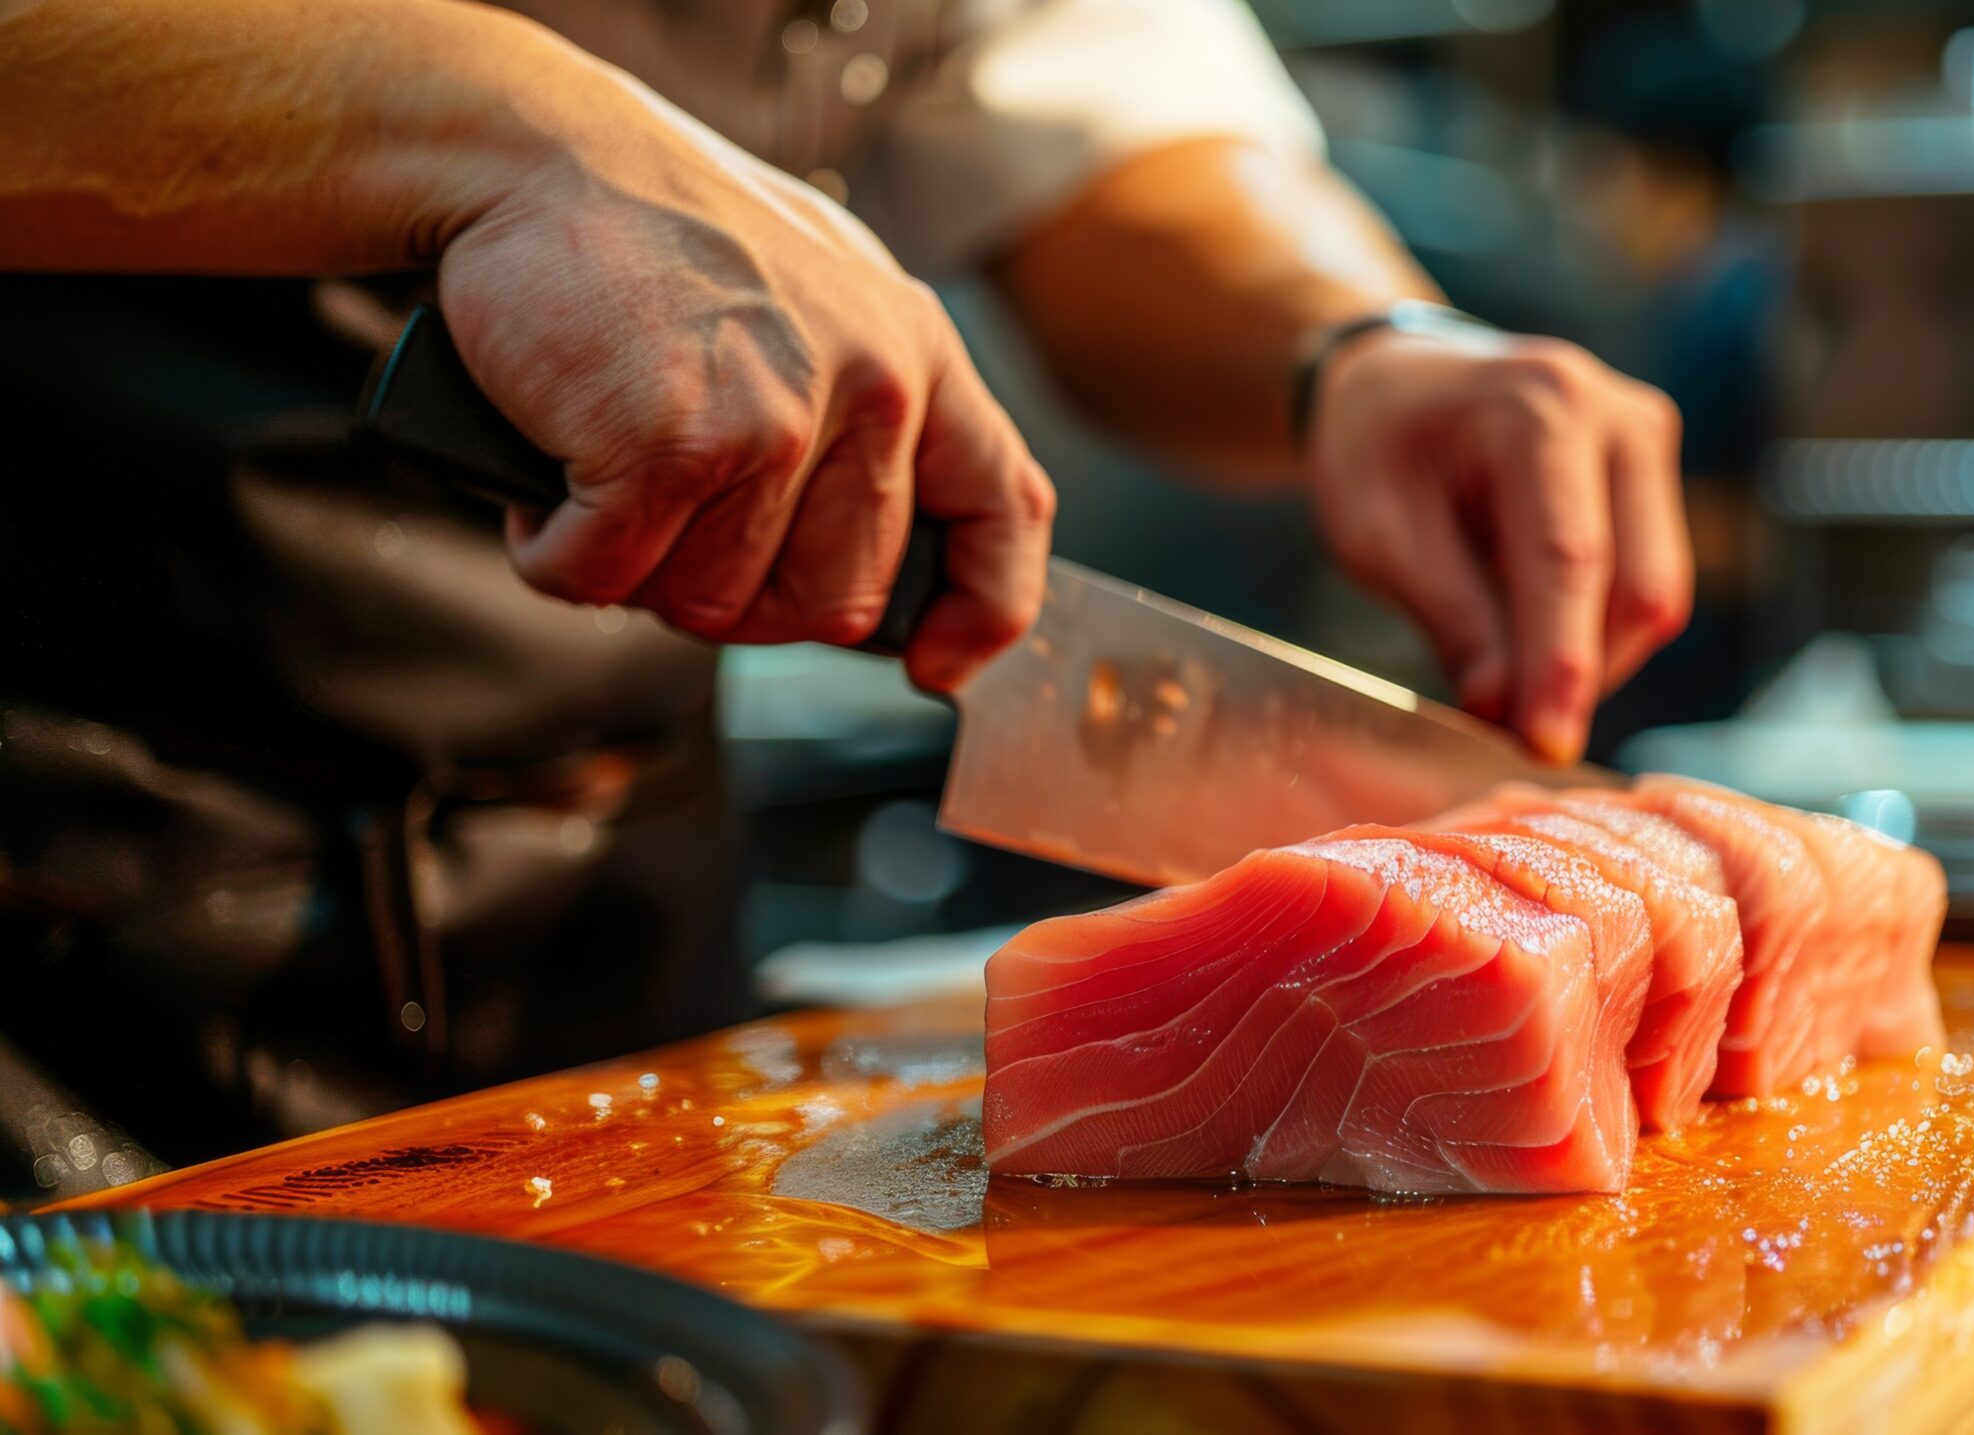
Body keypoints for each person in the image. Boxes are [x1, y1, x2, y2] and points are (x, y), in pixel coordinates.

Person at [0, 0, 1692, 1167]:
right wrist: (499, 121)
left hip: (603, 930)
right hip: (59, 889)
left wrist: (1364, 343)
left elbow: (1090, 125)